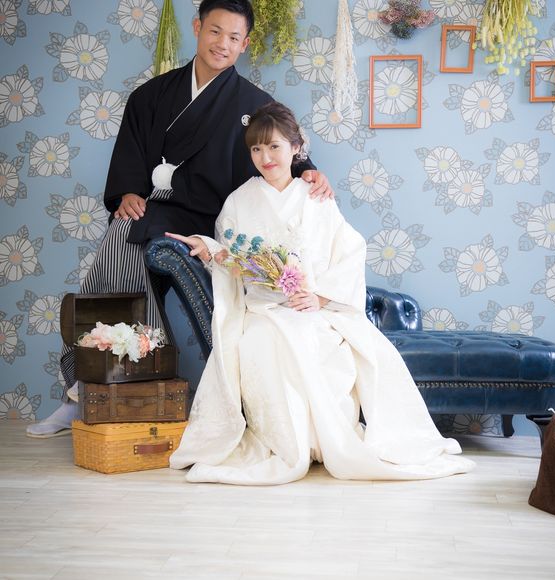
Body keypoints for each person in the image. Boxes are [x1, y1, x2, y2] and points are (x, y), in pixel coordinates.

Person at [26, 0, 332, 438]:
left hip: (211, 217)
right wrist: (127, 193)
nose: (222, 44)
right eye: (215, 31)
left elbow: (281, 150)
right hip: (156, 206)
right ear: (197, 27)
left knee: (127, 238)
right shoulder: (152, 95)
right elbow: (131, 157)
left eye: (233, 37)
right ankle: (90, 390)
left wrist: (309, 172)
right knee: (123, 234)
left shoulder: (254, 104)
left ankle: (99, 389)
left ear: (244, 45)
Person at [166, 102, 475, 484]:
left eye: (274, 147)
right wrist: (207, 247)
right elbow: (233, 259)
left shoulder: (315, 196)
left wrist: (321, 298)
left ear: (296, 148)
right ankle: (291, 445)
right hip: (264, 311)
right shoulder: (239, 202)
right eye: (256, 149)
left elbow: (349, 252)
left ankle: (324, 442)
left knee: (316, 340)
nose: (265, 157)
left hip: (312, 308)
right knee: (265, 343)